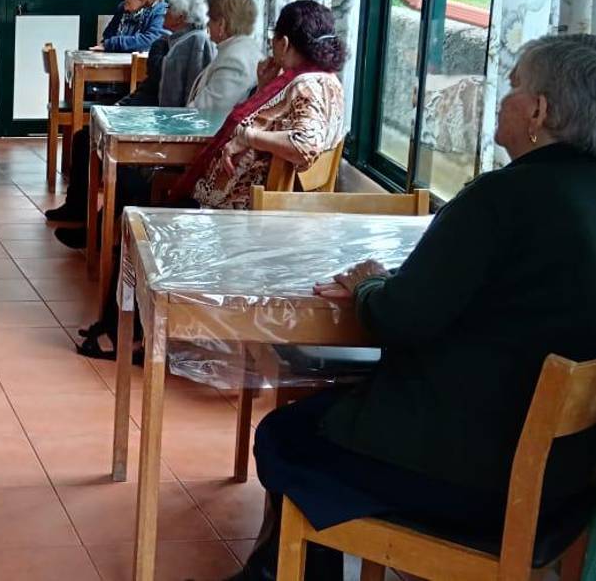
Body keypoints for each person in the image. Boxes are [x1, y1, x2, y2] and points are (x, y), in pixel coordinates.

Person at [230, 33, 596, 580]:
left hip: (473, 476)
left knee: (286, 436)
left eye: (515, 86)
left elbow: (400, 317)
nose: (502, 98)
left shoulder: (502, 196)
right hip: (569, 482)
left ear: (539, 111)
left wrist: (368, 286)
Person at [75, 0, 347, 360]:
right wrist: (265, 85)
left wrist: (248, 137)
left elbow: (305, 144)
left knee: (137, 227)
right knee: (139, 211)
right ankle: (122, 328)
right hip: (249, 203)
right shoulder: (325, 81)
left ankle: (129, 336)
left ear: (284, 43)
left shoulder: (306, 85)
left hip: (239, 210)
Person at [45, 0, 216, 233]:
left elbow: (177, 100)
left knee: (96, 145)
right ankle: (86, 216)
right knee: (86, 137)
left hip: (159, 121)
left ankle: (97, 226)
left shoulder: (191, 44)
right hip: (146, 111)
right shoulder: (171, 40)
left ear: (180, 17)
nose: (165, 11)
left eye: (170, 9)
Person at [186, 0, 265, 111]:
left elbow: (204, 113)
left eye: (210, 19)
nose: (207, 24)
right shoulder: (241, 50)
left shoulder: (235, 60)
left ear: (221, 24)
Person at [95, 0, 167, 54]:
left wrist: (113, 44)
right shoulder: (123, 8)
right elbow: (108, 36)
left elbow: (152, 41)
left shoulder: (162, 10)